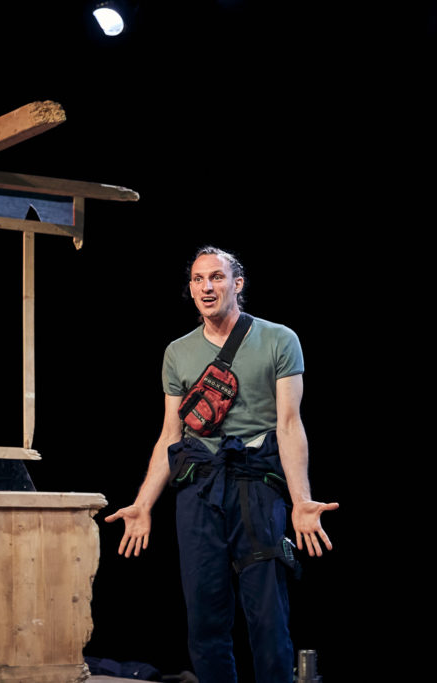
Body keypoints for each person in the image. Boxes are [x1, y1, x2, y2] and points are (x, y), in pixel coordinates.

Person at [105, 247, 338, 683]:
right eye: (197, 279)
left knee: (267, 613)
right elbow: (170, 436)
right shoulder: (177, 352)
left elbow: (289, 425)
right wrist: (142, 505)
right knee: (204, 615)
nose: (206, 287)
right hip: (199, 487)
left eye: (216, 277)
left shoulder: (278, 339)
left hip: (255, 485)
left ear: (238, 284)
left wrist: (301, 500)